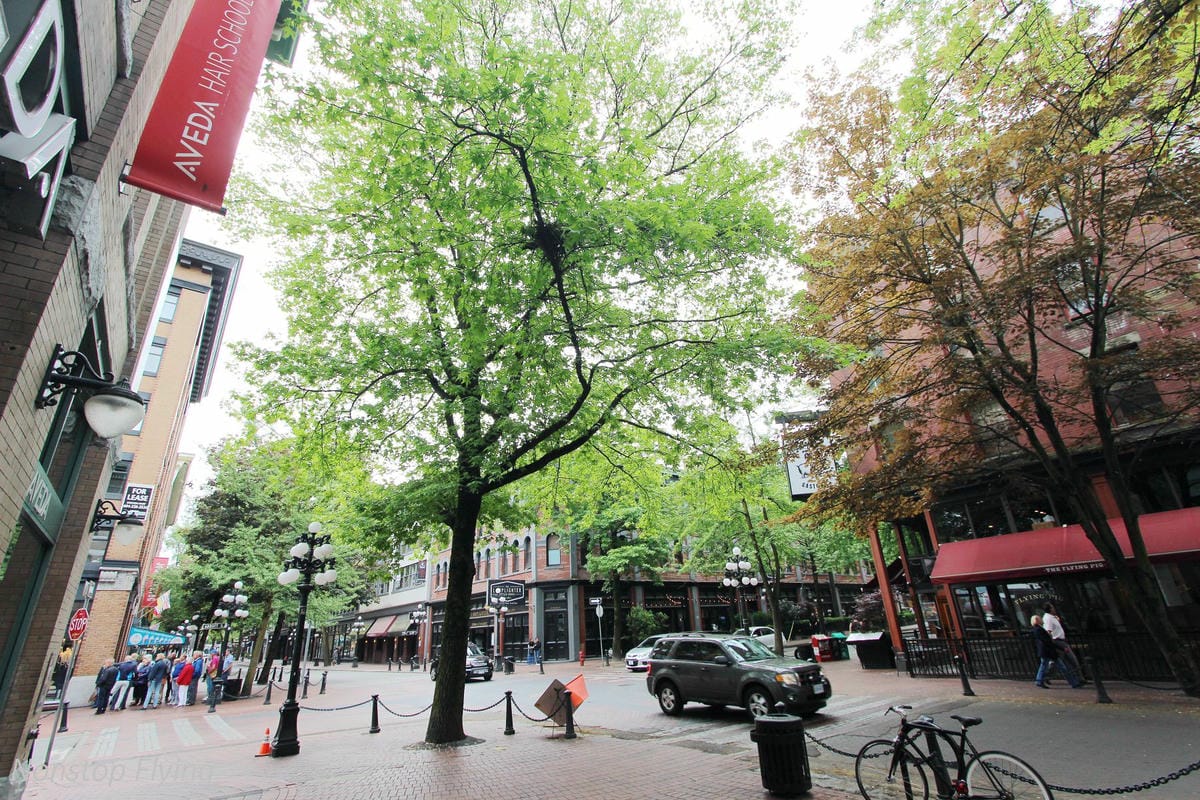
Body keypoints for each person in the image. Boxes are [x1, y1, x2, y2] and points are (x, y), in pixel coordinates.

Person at [1031, 614, 1080, 688]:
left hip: (1047, 652)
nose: (1041, 620)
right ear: (1037, 620)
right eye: (1040, 619)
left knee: (1046, 666)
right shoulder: (1038, 629)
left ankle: (1039, 680)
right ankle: (1073, 682)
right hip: (1048, 652)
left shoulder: (1039, 629)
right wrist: (1061, 648)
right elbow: (1047, 641)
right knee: (1060, 667)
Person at [1042, 602, 1085, 682]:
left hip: (1061, 641)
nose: (1054, 609)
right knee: (1071, 660)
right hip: (1058, 642)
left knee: (1059, 662)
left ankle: (1045, 676)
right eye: (1053, 607)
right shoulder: (1048, 618)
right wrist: (1052, 643)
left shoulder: (1052, 617)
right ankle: (1044, 676)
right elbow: (1049, 631)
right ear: (1050, 609)